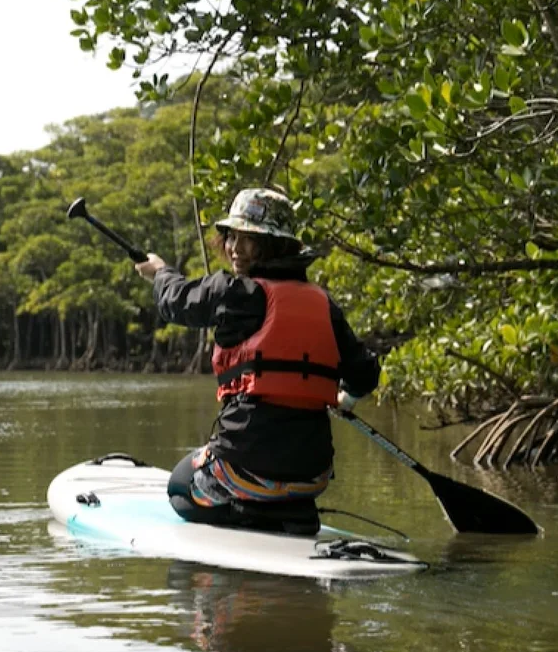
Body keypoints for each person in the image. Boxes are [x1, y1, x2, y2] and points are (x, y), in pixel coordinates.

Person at [135, 187, 380, 536]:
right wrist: (347, 397)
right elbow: (365, 372)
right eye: (231, 236)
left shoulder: (234, 293)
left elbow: (175, 300)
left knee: (179, 487)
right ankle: (291, 511)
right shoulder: (324, 303)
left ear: (274, 245)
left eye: (248, 239)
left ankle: (254, 513)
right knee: (274, 476)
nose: (234, 248)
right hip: (312, 476)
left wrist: (159, 272)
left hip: (247, 466)